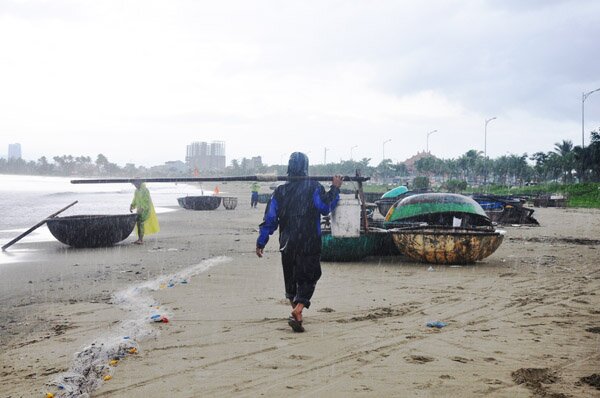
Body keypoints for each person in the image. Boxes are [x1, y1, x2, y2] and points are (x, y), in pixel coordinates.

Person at [256, 152, 342, 333]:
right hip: (309, 240)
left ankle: (297, 314)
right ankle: (298, 310)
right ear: (306, 167)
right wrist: (335, 188)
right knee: (309, 276)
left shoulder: (280, 192)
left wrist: (261, 241)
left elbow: (270, 219)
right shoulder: (314, 187)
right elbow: (325, 207)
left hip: (287, 242)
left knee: (291, 279)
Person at [129, 180, 160, 244]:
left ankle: (141, 240)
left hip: (145, 209)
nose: (135, 185)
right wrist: (132, 205)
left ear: (139, 182)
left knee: (141, 223)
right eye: (134, 184)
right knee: (138, 223)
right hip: (139, 209)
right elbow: (135, 199)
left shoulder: (145, 190)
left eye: (136, 184)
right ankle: (139, 239)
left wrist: (143, 208)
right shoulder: (136, 191)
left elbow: (146, 200)